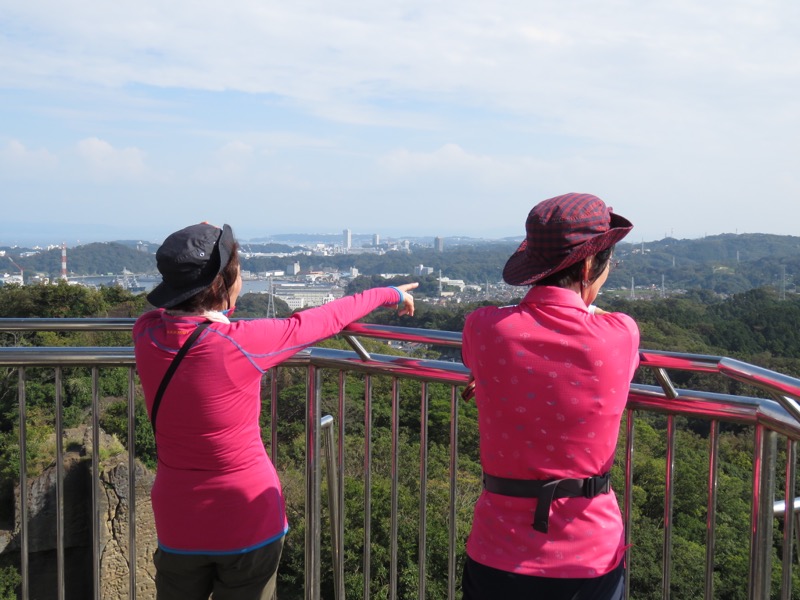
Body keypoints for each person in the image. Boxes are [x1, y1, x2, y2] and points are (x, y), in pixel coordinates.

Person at [133, 222, 417, 600]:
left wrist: (198, 248)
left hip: (177, 519)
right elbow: (326, 319)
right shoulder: (241, 343)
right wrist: (389, 292)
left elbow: (169, 316)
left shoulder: (146, 334)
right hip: (246, 518)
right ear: (224, 282)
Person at [460, 193, 639, 600]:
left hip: (497, 550)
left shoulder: (485, 327)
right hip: (588, 554)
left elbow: (481, 361)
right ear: (591, 265)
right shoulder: (620, 334)